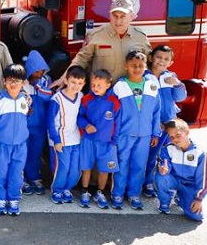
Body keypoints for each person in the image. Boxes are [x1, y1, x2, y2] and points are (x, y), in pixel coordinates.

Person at [55, 0, 151, 87]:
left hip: (128, 94)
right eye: (115, 16)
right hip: (101, 94)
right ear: (109, 16)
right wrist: (64, 78)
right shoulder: (96, 35)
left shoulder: (140, 37)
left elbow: (152, 62)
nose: (118, 21)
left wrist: (164, 78)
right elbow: (81, 59)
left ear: (132, 16)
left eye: (122, 16)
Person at [110, 51, 161, 210]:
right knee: (122, 163)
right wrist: (114, 134)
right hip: (125, 134)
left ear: (146, 67)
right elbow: (113, 112)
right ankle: (117, 193)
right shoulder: (120, 86)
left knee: (139, 165)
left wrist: (155, 132)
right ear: (126, 66)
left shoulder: (152, 85)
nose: (137, 69)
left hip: (145, 135)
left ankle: (133, 194)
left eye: (140, 66)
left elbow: (156, 111)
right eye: (133, 66)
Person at [143, 45, 187, 198]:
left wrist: (177, 84)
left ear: (170, 62)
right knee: (150, 154)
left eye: (166, 59)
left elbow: (180, 97)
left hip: (169, 123)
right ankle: (147, 182)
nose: (162, 61)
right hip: (152, 124)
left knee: (167, 154)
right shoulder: (144, 76)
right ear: (151, 58)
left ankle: (167, 183)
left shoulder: (170, 76)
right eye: (159, 57)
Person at [77, 69, 120, 209]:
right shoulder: (86, 99)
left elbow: (118, 122)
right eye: (93, 84)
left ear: (108, 85)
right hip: (88, 140)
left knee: (104, 169)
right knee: (86, 167)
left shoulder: (114, 102)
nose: (95, 88)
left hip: (107, 142)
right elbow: (79, 117)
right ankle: (85, 191)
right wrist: (85, 125)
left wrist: (114, 140)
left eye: (99, 85)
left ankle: (100, 192)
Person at [0, 63, 30, 216]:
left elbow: (26, 117)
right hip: (1, 144)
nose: (13, 84)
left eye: (17, 80)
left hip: (20, 145)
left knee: (16, 172)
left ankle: (13, 198)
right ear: (4, 81)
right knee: (0, 172)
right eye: (10, 80)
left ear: (24, 83)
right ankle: (0, 199)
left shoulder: (26, 100)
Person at [155, 119, 207, 222]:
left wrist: (199, 199)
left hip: (189, 186)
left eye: (178, 135)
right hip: (174, 181)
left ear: (187, 132)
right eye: (171, 137)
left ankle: (180, 198)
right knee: (161, 176)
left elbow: (203, 179)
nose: (175, 139)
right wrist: (164, 169)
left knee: (196, 216)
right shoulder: (168, 149)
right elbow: (165, 164)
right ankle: (165, 202)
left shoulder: (200, 154)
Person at [48, 66, 85, 205]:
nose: (76, 86)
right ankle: (57, 189)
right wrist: (56, 140)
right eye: (73, 82)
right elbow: (50, 122)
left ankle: (67, 189)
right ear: (67, 80)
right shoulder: (56, 99)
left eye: (80, 83)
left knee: (75, 168)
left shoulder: (80, 96)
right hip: (60, 140)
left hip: (75, 139)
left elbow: (81, 116)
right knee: (62, 168)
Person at [23, 50, 53, 195]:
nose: (39, 74)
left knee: (35, 153)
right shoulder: (22, 82)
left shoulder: (46, 80)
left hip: (40, 126)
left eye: (41, 70)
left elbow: (49, 96)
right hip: (24, 126)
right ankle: (21, 178)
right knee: (22, 152)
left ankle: (34, 177)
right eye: (36, 71)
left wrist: (38, 86)